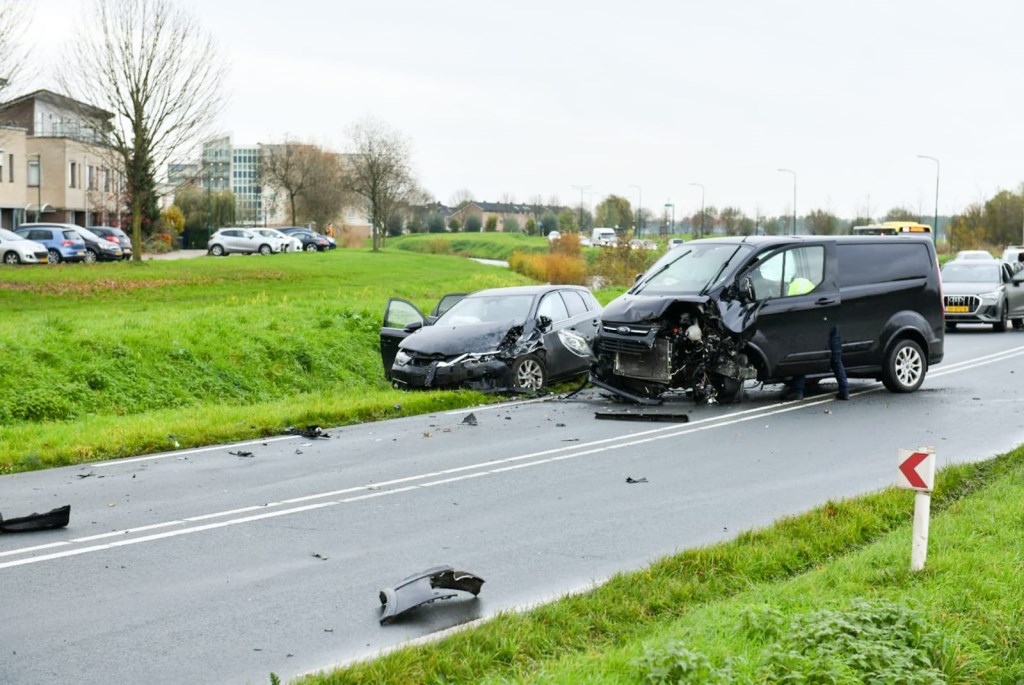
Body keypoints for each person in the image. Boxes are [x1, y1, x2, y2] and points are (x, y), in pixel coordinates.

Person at [782, 326, 850, 400]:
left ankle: (797, 390)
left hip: (814, 325)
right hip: (830, 322)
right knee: (836, 359)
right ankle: (844, 390)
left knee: (802, 356)